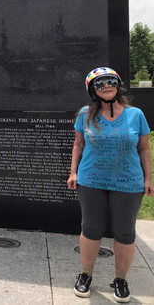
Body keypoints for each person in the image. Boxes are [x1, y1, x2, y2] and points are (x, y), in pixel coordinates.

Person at [67, 67, 153, 302]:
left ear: (118, 85)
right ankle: (85, 275)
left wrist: (148, 178)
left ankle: (121, 279)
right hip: (91, 180)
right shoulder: (85, 114)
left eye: (111, 82)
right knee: (91, 229)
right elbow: (78, 145)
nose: (106, 86)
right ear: (92, 90)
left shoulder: (136, 115)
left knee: (125, 232)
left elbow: (143, 148)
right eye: (100, 83)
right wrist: (73, 172)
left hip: (128, 182)